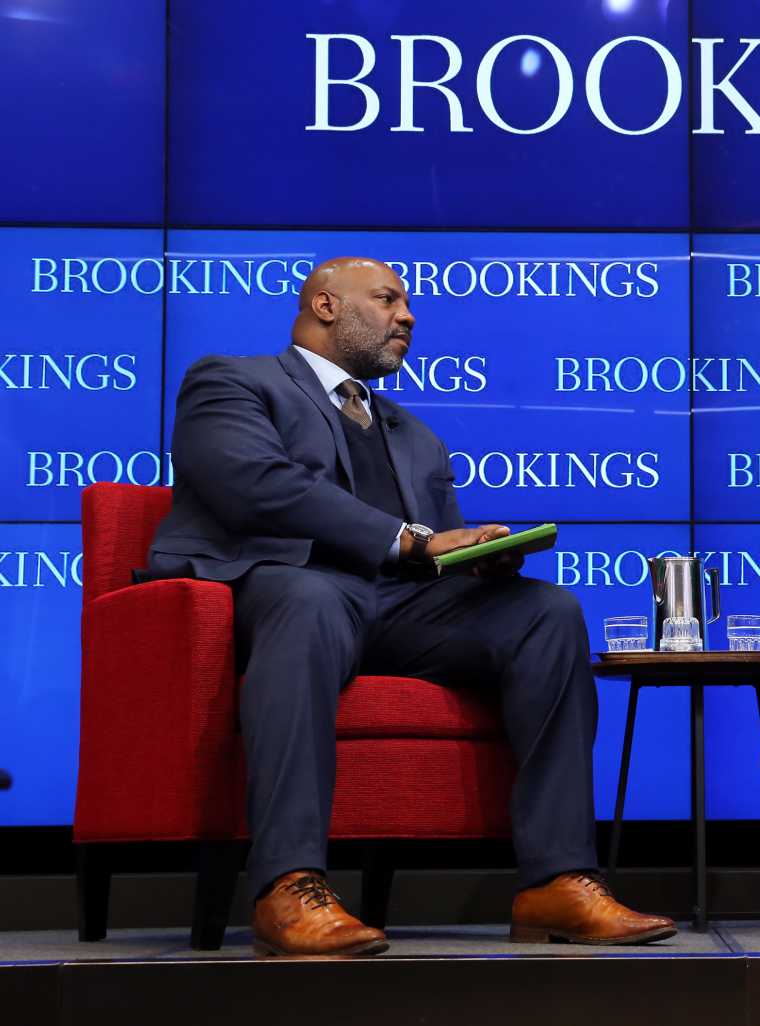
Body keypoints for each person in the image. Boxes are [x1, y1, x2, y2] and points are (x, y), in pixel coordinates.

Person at [147, 257, 676, 957]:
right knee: (309, 599)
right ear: (327, 305)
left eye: (408, 304)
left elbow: (430, 560)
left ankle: (559, 879)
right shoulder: (235, 382)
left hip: (397, 609)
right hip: (285, 587)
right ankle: (289, 885)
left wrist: (474, 562)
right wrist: (409, 540)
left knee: (544, 613)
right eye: (389, 300)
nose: (409, 316)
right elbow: (253, 486)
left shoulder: (414, 434)